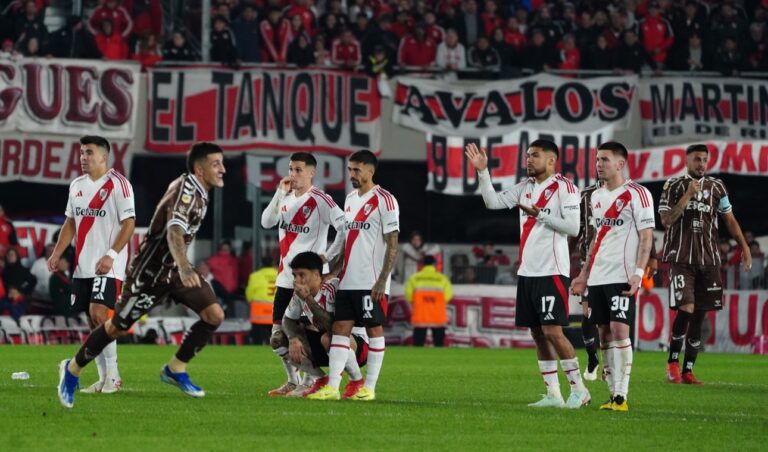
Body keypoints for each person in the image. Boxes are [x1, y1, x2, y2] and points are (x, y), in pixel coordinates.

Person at [56, 142, 227, 409]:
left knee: (214, 315)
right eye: (216, 163)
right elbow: (174, 231)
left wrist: (180, 268)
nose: (223, 169)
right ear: (199, 168)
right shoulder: (187, 191)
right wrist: (184, 266)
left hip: (174, 271)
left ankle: (175, 368)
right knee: (116, 327)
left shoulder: (200, 191)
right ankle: (73, 370)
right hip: (150, 274)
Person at [466, 140, 588, 409]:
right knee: (537, 333)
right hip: (528, 271)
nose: (529, 160)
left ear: (552, 160)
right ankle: (553, 394)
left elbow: (573, 228)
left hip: (552, 271)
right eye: (528, 156)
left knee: (553, 332)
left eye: (535, 155)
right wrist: (483, 172)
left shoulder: (565, 188)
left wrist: (541, 214)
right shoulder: (525, 187)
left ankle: (579, 390)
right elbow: (492, 202)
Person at [571, 141, 655, 412]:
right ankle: (611, 396)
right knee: (604, 333)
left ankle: (621, 395)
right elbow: (595, 238)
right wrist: (584, 274)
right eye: (597, 159)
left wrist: (638, 274)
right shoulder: (595, 197)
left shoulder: (638, 194)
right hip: (597, 277)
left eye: (604, 159)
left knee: (620, 330)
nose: (598, 164)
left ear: (620, 164)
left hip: (622, 274)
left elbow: (646, 238)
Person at [48, 135, 136, 396]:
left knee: (99, 313)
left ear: (103, 156)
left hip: (109, 264)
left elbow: (129, 223)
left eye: (88, 152)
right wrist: (57, 253)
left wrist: (110, 254)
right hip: (83, 265)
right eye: (81, 153)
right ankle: (102, 378)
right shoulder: (76, 185)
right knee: (92, 320)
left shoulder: (119, 185)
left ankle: (115, 377)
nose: (83, 157)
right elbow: (71, 223)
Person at [308, 150, 399, 401]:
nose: (352, 175)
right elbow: (346, 241)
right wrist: (330, 271)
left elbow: (393, 242)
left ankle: (369, 387)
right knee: (339, 329)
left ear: (371, 172)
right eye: (350, 170)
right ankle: (333, 388)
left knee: (374, 329)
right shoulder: (349, 200)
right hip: (347, 281)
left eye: (357, 170)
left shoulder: (385, 200)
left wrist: (382, 280)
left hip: (371, 281)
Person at [658, 144, 752, 385]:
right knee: (686, 309)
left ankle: (688, 369)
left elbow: (729, 219)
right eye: (696, 159)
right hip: (681, 258)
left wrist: (744, 247)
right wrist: (688, 195)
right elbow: (666, 220)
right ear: (687, 160)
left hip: (709, 260)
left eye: (704, 160)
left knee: (700, 315)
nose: (701, 163)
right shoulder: (673, 185)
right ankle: (672, 363)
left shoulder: (717, 187)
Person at [260, 152, 345, 396]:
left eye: (298, 170)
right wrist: (279, 192)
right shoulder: (285, 197)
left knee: (308, 334)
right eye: (290, 169)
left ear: (311, 172)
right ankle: (293, 380)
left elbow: (344, 226)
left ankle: (310, 382)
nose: (293, 175)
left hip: (311, 284)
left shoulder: (321, 200)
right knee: (278, 338)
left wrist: (327, 257)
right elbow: (267, 222)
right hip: (285, 279)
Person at [278, 251, 368, 398]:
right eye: (294, 276)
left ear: (316, 274)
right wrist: (293, 338)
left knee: (329, 337)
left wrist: (308, 299)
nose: (297, 280)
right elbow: (287, 320)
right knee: (279, 339)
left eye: (302, 275)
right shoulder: (298, 295)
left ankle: (356, 381)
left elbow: (335, 328)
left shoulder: (333, 288)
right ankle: (320, 380)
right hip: (326, 346)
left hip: (357, 346)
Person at [405, 255, 452, 347]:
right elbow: (448, 296)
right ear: (434, 264)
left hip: (420, 314)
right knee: (439, 345)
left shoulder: (414, 278)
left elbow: (408, 295)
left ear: (422, 264)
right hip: (437, 315)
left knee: (418, 346)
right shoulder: (442, 278)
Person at [246, 256, 278, 345]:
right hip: (275, 311)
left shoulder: (254, 276)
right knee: (277, 340)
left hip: (259, 313)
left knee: (257, 340)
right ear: (273, 264)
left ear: (262, 264)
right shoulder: (280, 275)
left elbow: (249, 294)